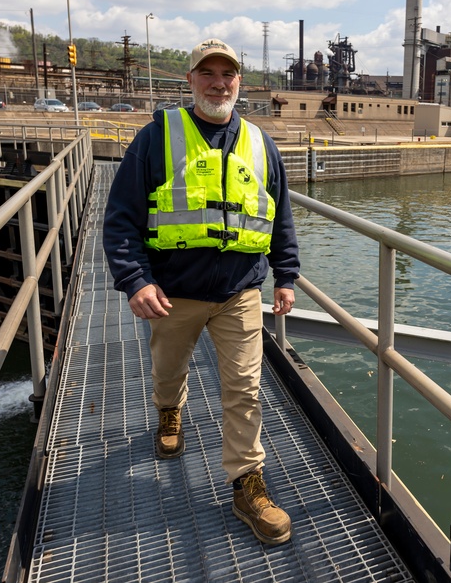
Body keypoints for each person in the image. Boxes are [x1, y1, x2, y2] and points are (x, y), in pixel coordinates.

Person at [102, 38, 300, 546]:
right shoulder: (156, 138)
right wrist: (134, 279)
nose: (218, 82)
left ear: (240, 81)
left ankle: (247, 485)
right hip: (173, 292)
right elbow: (122, 217)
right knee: (170, 371)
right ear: (189, 80)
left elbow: (279, 216)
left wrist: (287, 275)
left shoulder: (261, 143)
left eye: (227, 74)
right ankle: (170, 411)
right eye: (207, 73)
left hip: (239, 292)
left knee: (245, 389)